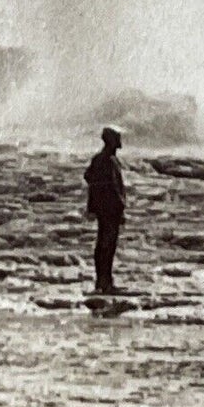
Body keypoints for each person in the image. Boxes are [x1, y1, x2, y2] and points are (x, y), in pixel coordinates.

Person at [84, 126, 125, 294]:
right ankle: (105, 281)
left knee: (102, 244)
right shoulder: (110, 161)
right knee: (108, 245)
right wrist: (120, 206)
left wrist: (96, 197)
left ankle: (102, 280)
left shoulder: (98, 159)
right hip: (111, 209)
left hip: (102, 208)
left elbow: (88, 176)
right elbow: (115, 188)